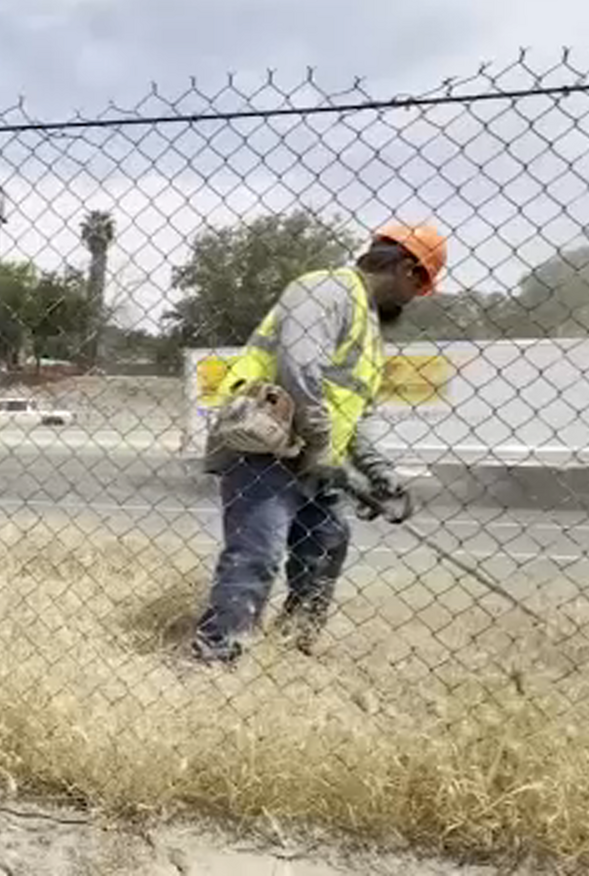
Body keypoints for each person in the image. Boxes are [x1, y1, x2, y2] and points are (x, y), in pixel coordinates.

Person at [190, 222, 448, 663]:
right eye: (418, 287)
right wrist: (322, 449)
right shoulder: (326, 290)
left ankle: (293, 649)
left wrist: (377, 473)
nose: (412, 300)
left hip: (313, 460)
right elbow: (298, 369)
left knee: (327, 545)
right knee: (258, 555)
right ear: (408, 269)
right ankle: (214, 656)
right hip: (266, 448)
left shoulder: (369, 331)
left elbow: (352, 415)